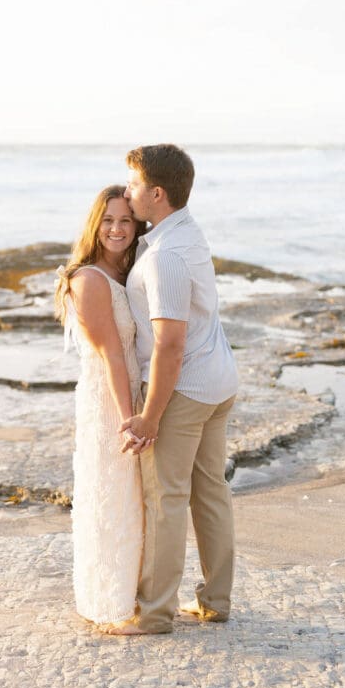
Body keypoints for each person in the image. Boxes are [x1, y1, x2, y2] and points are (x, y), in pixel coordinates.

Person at [110, 144, 239, 636]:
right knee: (210, 493)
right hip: (217, 381)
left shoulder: (166, 256)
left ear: (157, 193)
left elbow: (169, 345)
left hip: (186, 388)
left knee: (164, 499)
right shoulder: (186, 232)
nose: (128, 193)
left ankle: (154, 614)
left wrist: (149, 415)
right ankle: (216, 601)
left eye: (134, 185)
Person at [54, 185, 149, 630]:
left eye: (125, 220)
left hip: (130, 394)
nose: (117, 229)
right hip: (110, 400)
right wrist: (129, 419)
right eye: (108, 220)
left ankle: (134, 594)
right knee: (111, 495)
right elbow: (111, 353)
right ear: (96, 225)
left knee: (132, 499)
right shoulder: (90, 279)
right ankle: (109, 601)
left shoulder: (126, 272)